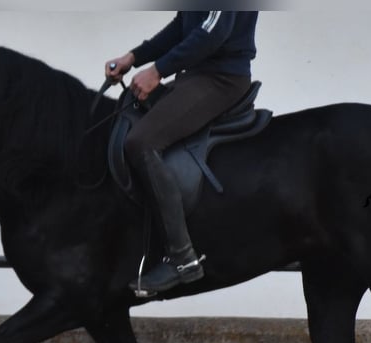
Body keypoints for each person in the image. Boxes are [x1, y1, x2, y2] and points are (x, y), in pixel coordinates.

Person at [105, 11, 259, 296]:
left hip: (221, 79)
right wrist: (134, 57)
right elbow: (183, 26)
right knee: (129, 112)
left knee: (141, 142)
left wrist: (157, 71)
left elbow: (213, 32)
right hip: (195, 75)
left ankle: (182, 259)